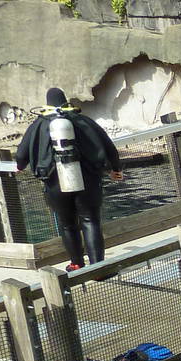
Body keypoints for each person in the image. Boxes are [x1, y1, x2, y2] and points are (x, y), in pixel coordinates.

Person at [14, 87, 125, 270]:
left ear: (48, 104)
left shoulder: (39, 124)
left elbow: (21, 155)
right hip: (88, 179)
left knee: (68, 225)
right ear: (65, 101)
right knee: (91, 221)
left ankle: (76, 264)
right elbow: (109, 147)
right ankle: (98, 268)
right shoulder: (83, 121)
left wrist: (19, 167)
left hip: (54, 181)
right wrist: (116, 169)